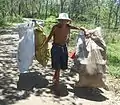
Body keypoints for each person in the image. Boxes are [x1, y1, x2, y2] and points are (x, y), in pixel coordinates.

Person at [41, 13, 85, 92]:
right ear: (59, 20)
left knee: (61, 66)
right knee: (57, 66)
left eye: (65, 21)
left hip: (64, 48)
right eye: (61, 20)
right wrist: (43, 45)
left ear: (67, 21)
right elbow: (50, 37)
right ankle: (56, 83)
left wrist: (83, 29)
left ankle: (55, 78)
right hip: (56, 48)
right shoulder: (55, 27)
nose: (63, 22)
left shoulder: (68, 27)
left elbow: (77, 28)